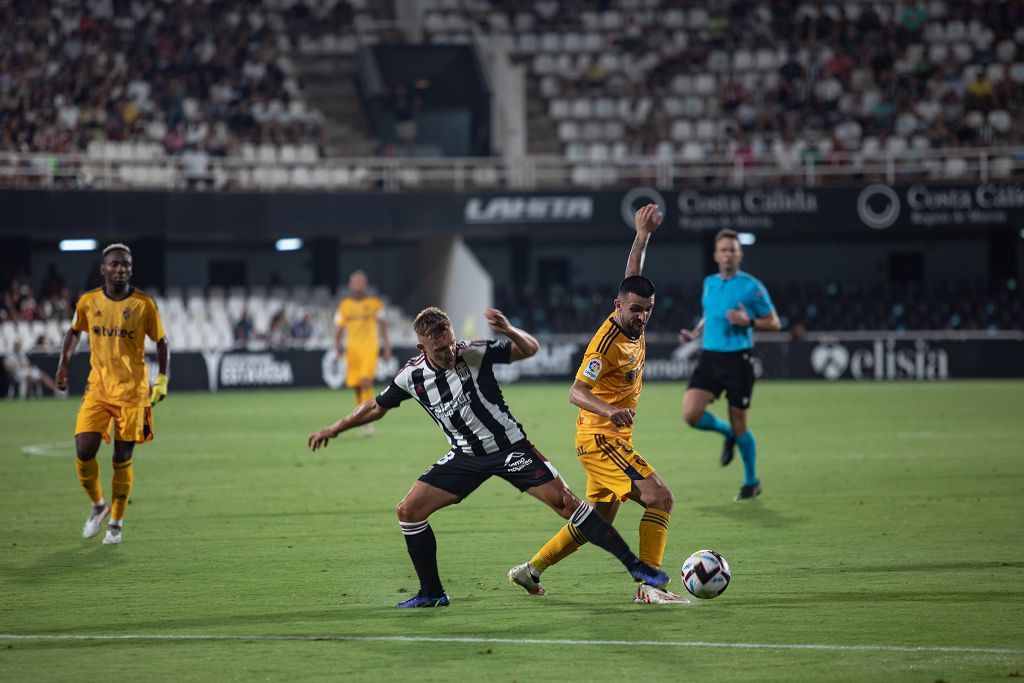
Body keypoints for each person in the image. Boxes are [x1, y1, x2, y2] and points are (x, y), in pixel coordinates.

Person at [307, 306, 669, 608]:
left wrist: (509, 329)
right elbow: (374, 407)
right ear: (422, 347)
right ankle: (432, 593)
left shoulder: (473, 351)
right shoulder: (411, 378)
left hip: (510, 448)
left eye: (449, 344)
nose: (449, 353)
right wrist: (334, 429)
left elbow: (529, 349)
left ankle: (639, 569)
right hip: (465, 457)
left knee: (567, 502)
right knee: (408, 511)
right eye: (439, 350)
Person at [508, 204, 686, 605]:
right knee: (661, 497)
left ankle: (531, 570)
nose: (642, 316)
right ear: (617, 306)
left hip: (607, 437)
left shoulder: (631, 312)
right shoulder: (604, 345)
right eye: (635, 309)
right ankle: (649, 588)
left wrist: (642, 235)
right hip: (601, 438)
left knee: (596, 523)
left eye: (648, 310)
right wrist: (610, 411)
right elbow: (574, 392)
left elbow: (631, 277)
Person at [55, 243, 170, 545]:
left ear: (131, 270)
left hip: (133, 393)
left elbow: (162, 342)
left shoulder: (145, 305)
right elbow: (73, 332)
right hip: (99, 389)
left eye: (126, 265)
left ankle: (116, 524)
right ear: (103, 269)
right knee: (84, 448)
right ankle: (97, 505)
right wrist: (62, 365)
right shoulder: (88, 302)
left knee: (122, 457)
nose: (121, 269)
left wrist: (162, 379)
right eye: (115, 265)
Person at [679, 229, 780, 501]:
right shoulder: (709, 283)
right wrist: (694, 333)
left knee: (741, 425)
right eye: (723, 250)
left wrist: (747, 321)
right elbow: (708, 316)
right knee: (691, 414)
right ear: (716, 255)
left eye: (733, 250)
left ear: (740, 255)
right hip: (710, 358)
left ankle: (751, 482)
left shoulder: (752, 286)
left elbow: (775, 323)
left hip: (738, 361)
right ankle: (728, 434)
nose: (728, 254)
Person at [333, 271, 391, 436]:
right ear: (350, 285)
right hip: (352, 350)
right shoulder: (344, 306)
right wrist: (336, 348)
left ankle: (370, 420)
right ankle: (362, 419)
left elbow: (384, 326)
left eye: (361, 282)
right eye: (355, 282)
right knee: (357, 387)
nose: (358, 285)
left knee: (366, 382)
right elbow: (338, 329)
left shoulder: (375, 304)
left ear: (365, 285)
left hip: (369, 349)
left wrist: (387, 348)